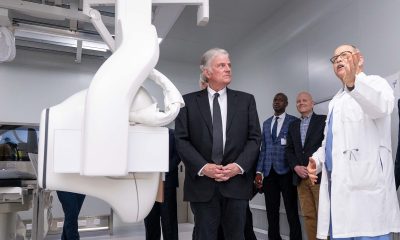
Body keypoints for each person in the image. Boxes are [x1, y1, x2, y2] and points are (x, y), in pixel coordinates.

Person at [307, 44, 400, 239]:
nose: (339, 60)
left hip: (368, 194)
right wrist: (316, 161)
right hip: (340, 196)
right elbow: (329, 142)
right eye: (335, 59)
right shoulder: (335, 101)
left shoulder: (376, 83)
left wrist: (353, 84)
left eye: (344, 55)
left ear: (360, 59)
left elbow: (381, 107)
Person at [175, 48, 261, 240]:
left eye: (229, 64)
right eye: (221, 65)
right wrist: (204, 167)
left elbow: (254, 139)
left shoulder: (246, 101)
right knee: (205, 234)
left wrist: (238, 167)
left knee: (236, 235)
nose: (228, 69)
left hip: (236, 183)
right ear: (206, 72)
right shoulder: (186, 103)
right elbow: (181, 140)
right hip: (202, 185)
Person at [255, 92, 302, 240]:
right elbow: (264, 149)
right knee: (271, 212)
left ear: (286, 104)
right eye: (275, 99)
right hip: (269, 173)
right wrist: (259, 171)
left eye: (281, 100)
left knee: (291, 210)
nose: (277, 102)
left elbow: (295, 148)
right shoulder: (267, 123)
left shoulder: (294, 121)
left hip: (287, 172)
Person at [286, 92, 326, 240]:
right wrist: (295, 166)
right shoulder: (293, 125)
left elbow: (326, 146)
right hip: (300, 178)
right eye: (298, 101)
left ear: (312, 103)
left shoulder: (323, 121)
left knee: (323, 215)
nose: (301, 103)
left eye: (304, 100)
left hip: (318, 177)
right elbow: (289, 150)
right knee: (308, 215)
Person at [144, 129, 180, 240]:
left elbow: (178, 156)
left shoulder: (173, 134)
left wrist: (163, 168)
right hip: (148, 183)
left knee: (169, 219)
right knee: (150, 220)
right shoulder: (145, 135)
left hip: (167, 182)